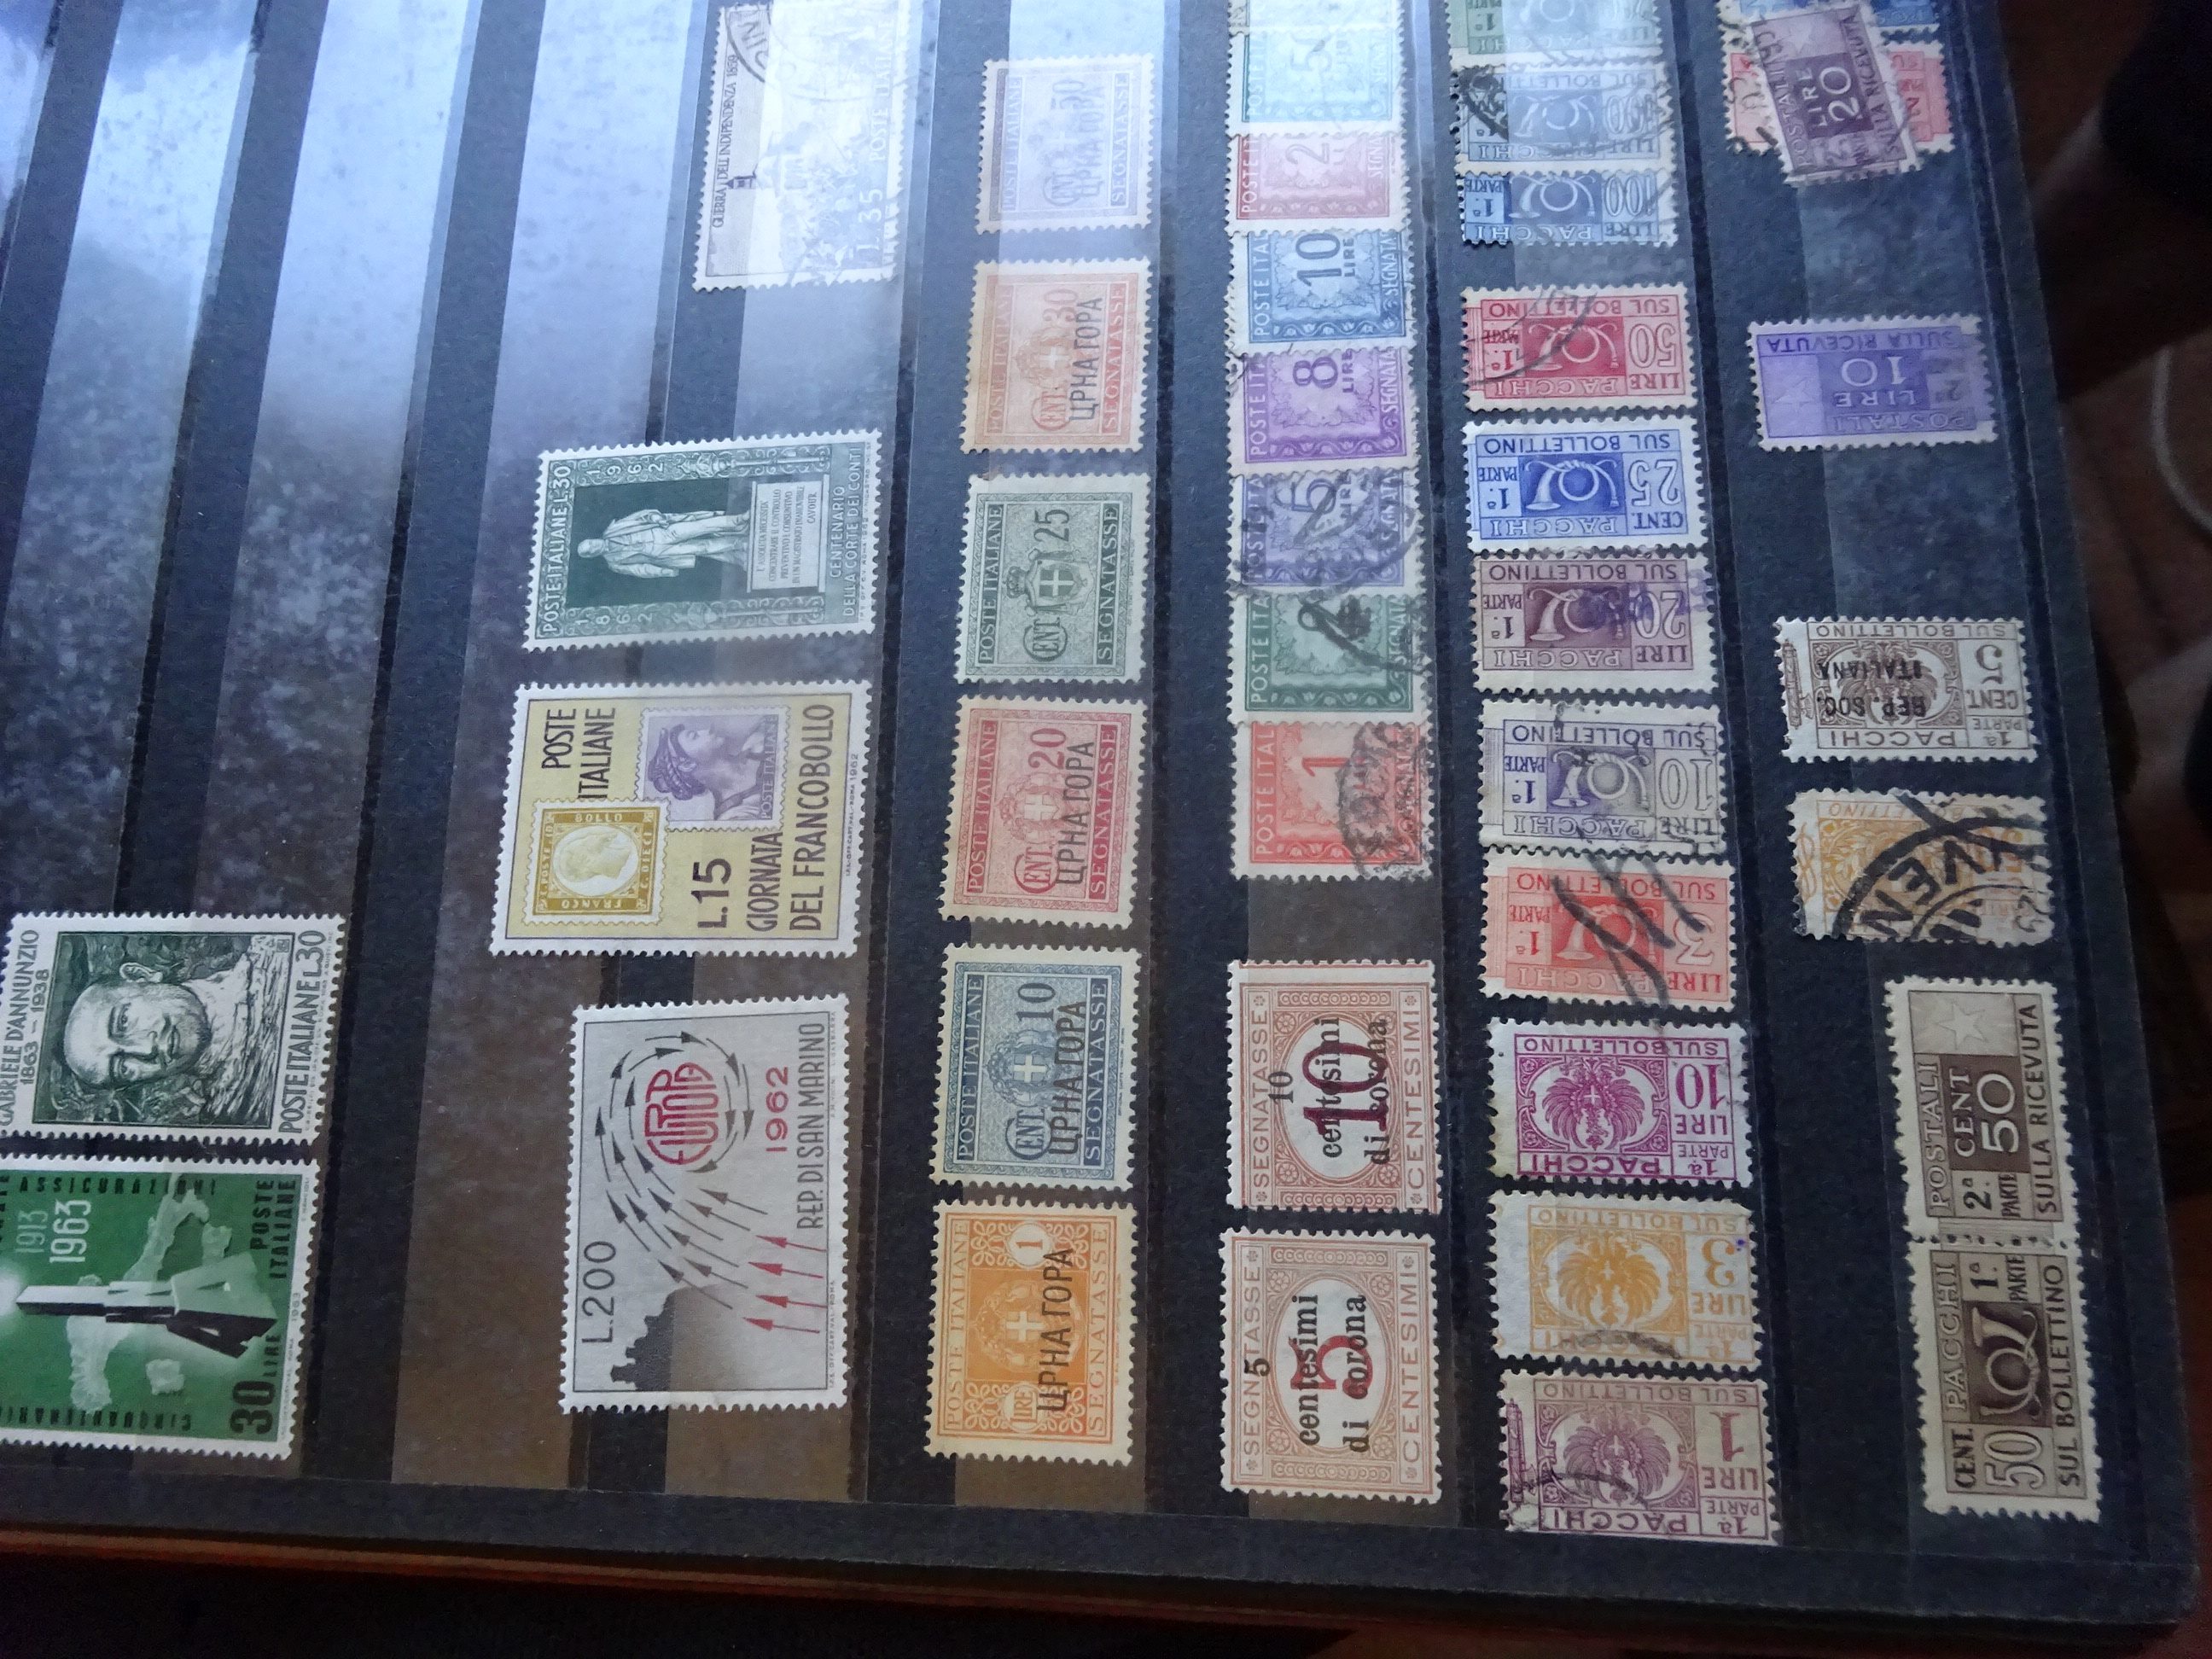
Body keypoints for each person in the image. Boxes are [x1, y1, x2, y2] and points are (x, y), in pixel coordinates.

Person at [56, 939, 286, 1125]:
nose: (146, 1050)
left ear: (140, 975)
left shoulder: (277, 951)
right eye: (122, 1067)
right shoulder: (238, 1115)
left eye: (123, 1023)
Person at [643, 716, 778, 824]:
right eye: (694, 736)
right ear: (688, 764)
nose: (707, 730)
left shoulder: (759, 738)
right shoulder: (735, 817)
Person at [573, 506, 752, 578]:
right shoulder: (614, 563)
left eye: (592, 542)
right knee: (702, 548)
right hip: (660, 554)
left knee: (700, 526)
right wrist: (662, 572)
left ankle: (738, 520)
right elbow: (640, 569)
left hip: (661, 533)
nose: (595, 544)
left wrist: (654, 517)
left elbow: (638, 517)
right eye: (592, 548)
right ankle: (739, 544)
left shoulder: (613, 529)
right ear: (592, 555)